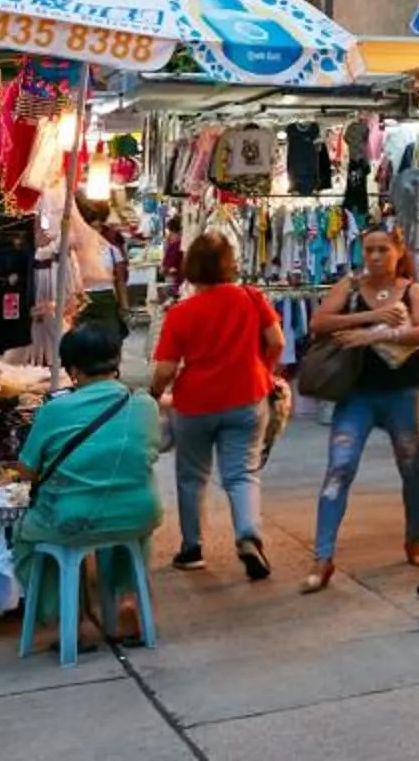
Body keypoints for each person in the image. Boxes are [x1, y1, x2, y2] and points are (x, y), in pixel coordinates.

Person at [301, 228, 419, 592]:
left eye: (383, 250)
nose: (375, 257)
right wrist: (370, 317)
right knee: (340, 467)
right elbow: (319, 323)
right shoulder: (348, 286)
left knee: (412, 466)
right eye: (369, 249)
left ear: (398, 251)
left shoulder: (412, 290)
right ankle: (323, 555)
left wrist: (377, 335)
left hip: (403, 392)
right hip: (356, 394)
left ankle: (415, 538)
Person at [13, 320, 162, 646]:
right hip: (137, 512)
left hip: (71, 518)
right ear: (116, 361)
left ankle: (65, 619)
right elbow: (147, 456)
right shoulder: (144, 405)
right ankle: (128, 601)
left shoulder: (54, 410)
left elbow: (27, 471)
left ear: (73, 369)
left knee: (24, 538)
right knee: (126, 527)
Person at [150, 230, 282, 580]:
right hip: (247, 395)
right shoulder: (251, 298)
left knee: (192, 476)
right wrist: (263, 372)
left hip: (194, 403)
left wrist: (152, 394)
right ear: (230, 264)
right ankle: (248, 535)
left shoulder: (181, 313)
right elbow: (275, 341)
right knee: (242, 472)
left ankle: (192, 548)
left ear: (190, 266)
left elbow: (165, 368)